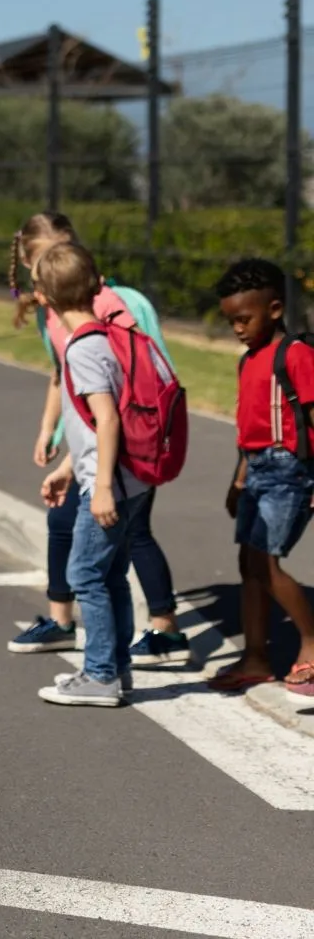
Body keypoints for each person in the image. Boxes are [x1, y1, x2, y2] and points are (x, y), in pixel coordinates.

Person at [5, 212, 189, 667]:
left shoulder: (105, 317)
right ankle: (100, 650)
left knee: (97, 566)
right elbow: (63, 374)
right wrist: (52, 433)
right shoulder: (58, 317)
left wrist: (97, 477)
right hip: (97, 452)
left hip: (119, 456)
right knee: (92, 552)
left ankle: (120, 657)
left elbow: (114, 406)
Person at [34, 241, 159, 707]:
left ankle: (101, 674)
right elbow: (96, 423)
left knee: (85, 574)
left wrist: (101, 487)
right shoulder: (106, 337)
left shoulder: (82, 349)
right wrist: (68, 468)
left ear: (46, 296)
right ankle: (117, 668)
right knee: (110, 576)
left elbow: (107, 419)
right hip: (130, 481)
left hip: (110, 485)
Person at [212, 258, 314, 697]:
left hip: (289, 472)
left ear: (274, 309)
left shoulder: (295, 355)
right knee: (248, 565)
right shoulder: (247, 361)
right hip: (255, 471)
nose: (237, 328)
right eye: (231, 321)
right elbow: (248, 432)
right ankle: (256, 657)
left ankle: (311, 642)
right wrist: (238, 482)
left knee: (266, 564)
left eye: (244, 319)